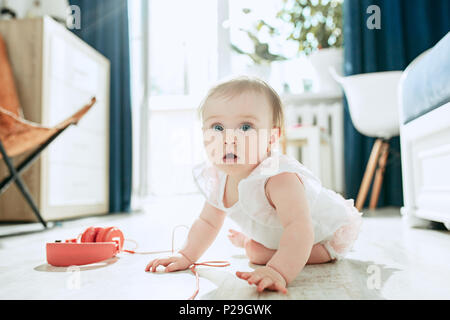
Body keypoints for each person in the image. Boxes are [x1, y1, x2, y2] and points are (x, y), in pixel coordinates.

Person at [145, 76, 363, 294]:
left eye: (246, 127)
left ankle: (261, 248)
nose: (229, 138)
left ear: (271, 137)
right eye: (217, 127)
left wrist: (278, 270)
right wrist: (185, 255)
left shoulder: (278, 177)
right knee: (255, 253)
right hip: (280, 234)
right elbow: (207, 222)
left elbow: (299, 228)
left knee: (286, 254)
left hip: (321, 235)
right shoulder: (219, 177)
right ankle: (252, 244)